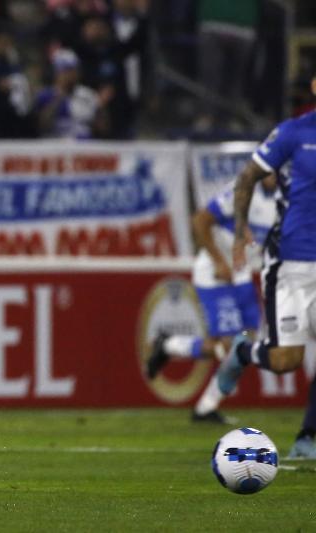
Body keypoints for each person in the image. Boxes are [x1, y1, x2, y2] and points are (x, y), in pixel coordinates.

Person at [215, 106, 316, 459]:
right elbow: (247, 177)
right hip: (290, 262)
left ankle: (307, 438)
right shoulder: (293, 133)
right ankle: (243, 352)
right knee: (286, 359)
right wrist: (240, 232)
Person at [146, 174, 277, 423]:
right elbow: (199, 220)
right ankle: (171, 349)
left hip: (241, 275)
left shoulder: (285, 201)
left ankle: (205, 404)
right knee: (231, 346)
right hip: (215, 274)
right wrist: (218, 260)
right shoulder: (241, 192)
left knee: (249, 343)